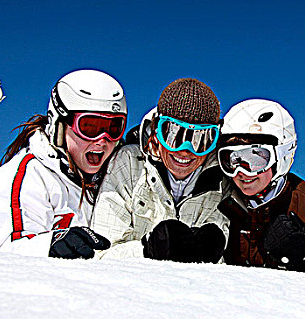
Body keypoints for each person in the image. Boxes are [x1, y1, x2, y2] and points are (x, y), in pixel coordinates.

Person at [0, 69, 128, 259]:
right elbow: (2, 252)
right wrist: (50, 245)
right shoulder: (29, 176)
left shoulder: (115, 176)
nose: (102, 140)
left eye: (114, 128)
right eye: (89, 127)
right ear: (59, 124)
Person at [91, 78, 231, 262]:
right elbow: (99, 253)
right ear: (156, 131)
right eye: (173, 135)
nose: (185, 150)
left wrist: (211, 252)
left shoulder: (222, 178)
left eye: (200, 139)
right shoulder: (130, 164)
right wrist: (146, 250)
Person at [217, 98, 305, 281]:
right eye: (232, 160)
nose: (242, 172)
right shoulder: (223, 198)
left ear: (282, 156)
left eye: (256, 158)